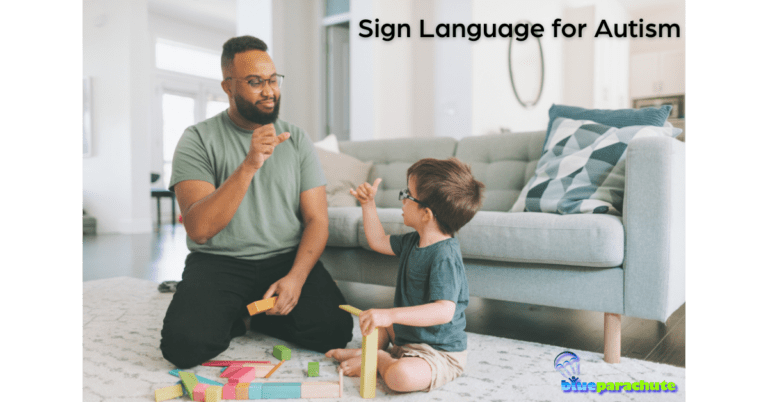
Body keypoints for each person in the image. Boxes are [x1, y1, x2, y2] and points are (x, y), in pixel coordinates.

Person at [160, 35, 353, 369]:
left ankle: (253, 314)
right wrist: (249, 165)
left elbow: (317, 220)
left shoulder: (297, 139)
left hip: (284, 260)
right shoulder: (197, 139)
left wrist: (296, 277)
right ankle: (241, 313)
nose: (269, 91)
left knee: (335, 331)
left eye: (273, 80)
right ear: (228, 86)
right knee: (183, 347)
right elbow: (200, 229)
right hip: (219, 262)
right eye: (255, 82)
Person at [327, 158, 485, 392]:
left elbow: (444, 310)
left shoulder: (445, 255)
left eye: (407, 194)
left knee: (400, 377)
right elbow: (378, 241)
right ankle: (372, 353)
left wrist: (390, 314)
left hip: (437, 351)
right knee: (376, 323)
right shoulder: (413, 241)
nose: (402, 199)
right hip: (404, 336)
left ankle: (378, 359)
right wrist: (368, 204)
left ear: (426, 214)